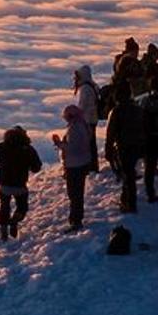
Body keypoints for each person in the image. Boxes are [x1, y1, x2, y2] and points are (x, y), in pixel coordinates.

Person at [0, 126, 44, 238]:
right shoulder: (28, 149)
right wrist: (31, 167)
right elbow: (36, 167)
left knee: (4, 206)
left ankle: (3, 227)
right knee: (22, 206)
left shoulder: (2, 147)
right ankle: (15, 220)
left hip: (4, 184)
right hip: (20, 185)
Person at [105, 82, 155, 216]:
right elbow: (145, 127)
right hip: (138, 145)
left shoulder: (116, 111)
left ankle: (130, 203)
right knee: (129, 173)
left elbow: (110, 133)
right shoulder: (137, 109)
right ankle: (126, 198)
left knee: (128, 175)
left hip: (124, 146)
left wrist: (108, 150)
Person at [57, 91, 102, 231]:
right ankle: (77, 218)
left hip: (74, 165)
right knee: (78, 193)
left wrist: (60, 144)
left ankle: (75, 220)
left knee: (74, 194)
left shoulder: (75, 128)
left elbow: (73, 148)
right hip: (82, 163)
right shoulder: (82, 125)